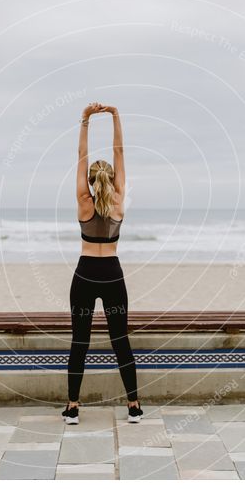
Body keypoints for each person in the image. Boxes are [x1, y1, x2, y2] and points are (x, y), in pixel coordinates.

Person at [61, 102, 143, 425]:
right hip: (111, 274)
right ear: (110, 177)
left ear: (91, 179)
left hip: (84, 274)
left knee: (79, 341)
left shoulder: (84, 201)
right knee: (120, 340)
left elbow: (80, 158)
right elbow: (119, 151)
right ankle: (134, 406)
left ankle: (73, 407)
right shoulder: (119, 199)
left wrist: (85, 120)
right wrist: (115, 115)